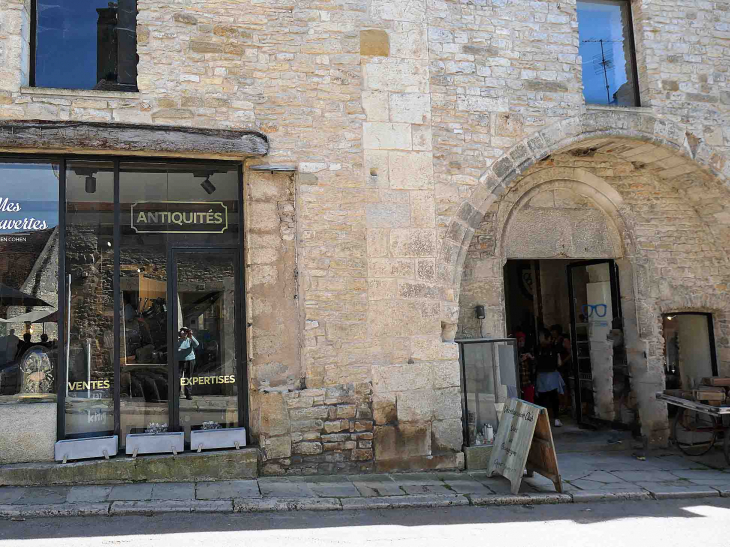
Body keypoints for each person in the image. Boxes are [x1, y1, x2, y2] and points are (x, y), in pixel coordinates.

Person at [529, 328, 565, 428]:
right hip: (543, 376)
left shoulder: (552, 348)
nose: (540, 339)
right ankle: (546, 419)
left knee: (551, 397)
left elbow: (559, 362)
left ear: (548, 338)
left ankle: (555, 418)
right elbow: (559, 362)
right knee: (544, 398)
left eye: (542, 337)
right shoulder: (538, 348)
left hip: (550, 375)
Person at [176, 327, 199, 400]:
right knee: (178, 377)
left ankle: (188, 394)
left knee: (188, 377)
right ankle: (177, 393)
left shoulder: (190, 339)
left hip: (190, 360)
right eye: (183, 331)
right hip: (180, 360)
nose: (185, 333)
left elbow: (196, 344)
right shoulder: (178, 340)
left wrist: (191, 336)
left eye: (186, 331)